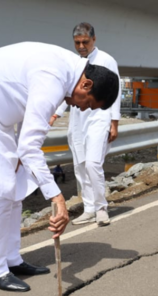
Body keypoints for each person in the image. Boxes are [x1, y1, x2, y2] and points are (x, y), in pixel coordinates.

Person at [0, 42, 119, 292]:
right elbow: (29, 145)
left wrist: (23, 160)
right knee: (0, 189)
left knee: (16, 183)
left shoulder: (67, 73)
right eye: (88, 103)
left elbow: (29, 130)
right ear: (86, 84)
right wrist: (58, 198)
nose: (82, 108)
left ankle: (12, 259)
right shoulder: (54, 79)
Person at [49, 23, 121, 227]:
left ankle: (101, 208)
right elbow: (66, 90)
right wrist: (55, 113)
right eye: (77, 42)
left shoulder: (107, 60)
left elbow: (114, 93)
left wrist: (114, 123)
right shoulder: (73, 62)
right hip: (78, 118)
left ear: (94, 40)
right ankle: (89, 208)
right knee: (80, 165)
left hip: (100, 116)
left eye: (85, 42)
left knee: (92, 164)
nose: (81, 46)